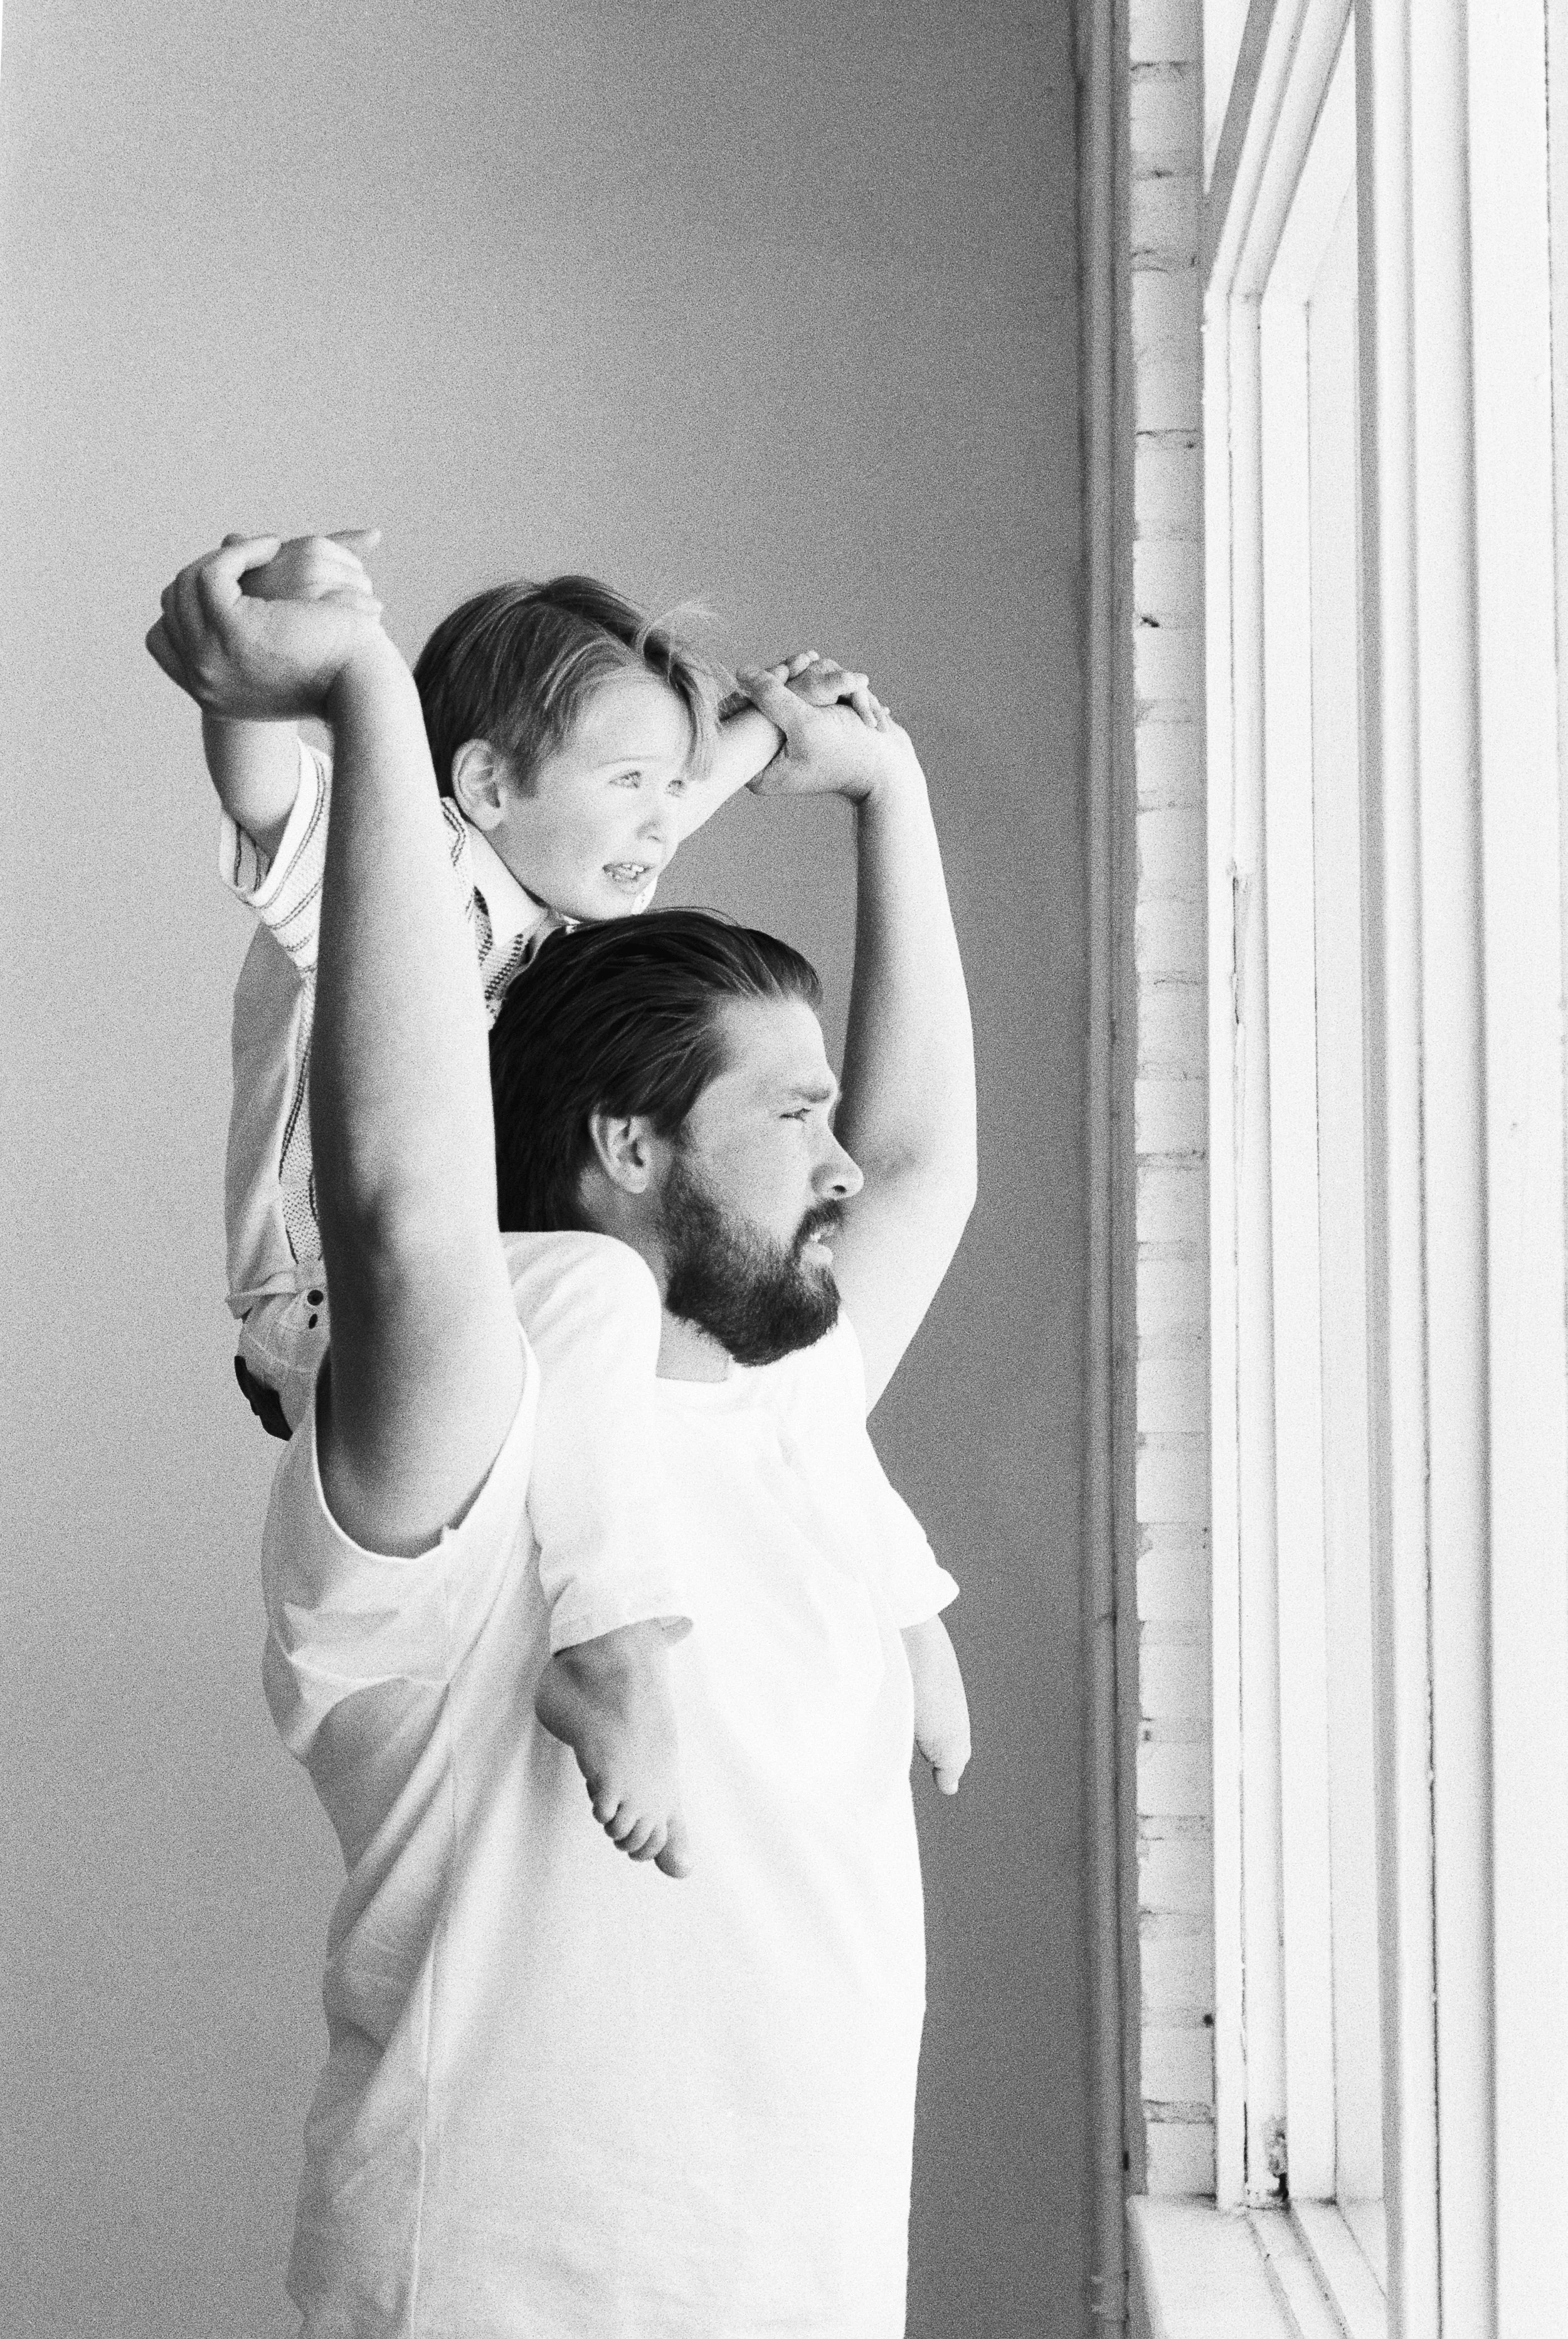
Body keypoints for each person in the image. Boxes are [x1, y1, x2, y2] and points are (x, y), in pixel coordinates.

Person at [149, 534, 975, 2334]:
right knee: (570, 1294)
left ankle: (902, 1600)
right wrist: (358, 692)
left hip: (806, 2297)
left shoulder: (771, 1408)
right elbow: (400, 1211)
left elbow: (919, 1168)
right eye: (792, 1114)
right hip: (504, 2302)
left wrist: (881, 793)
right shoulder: (481, 1425)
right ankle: (619, 1649)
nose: (841, 1166)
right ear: (627, 1147)